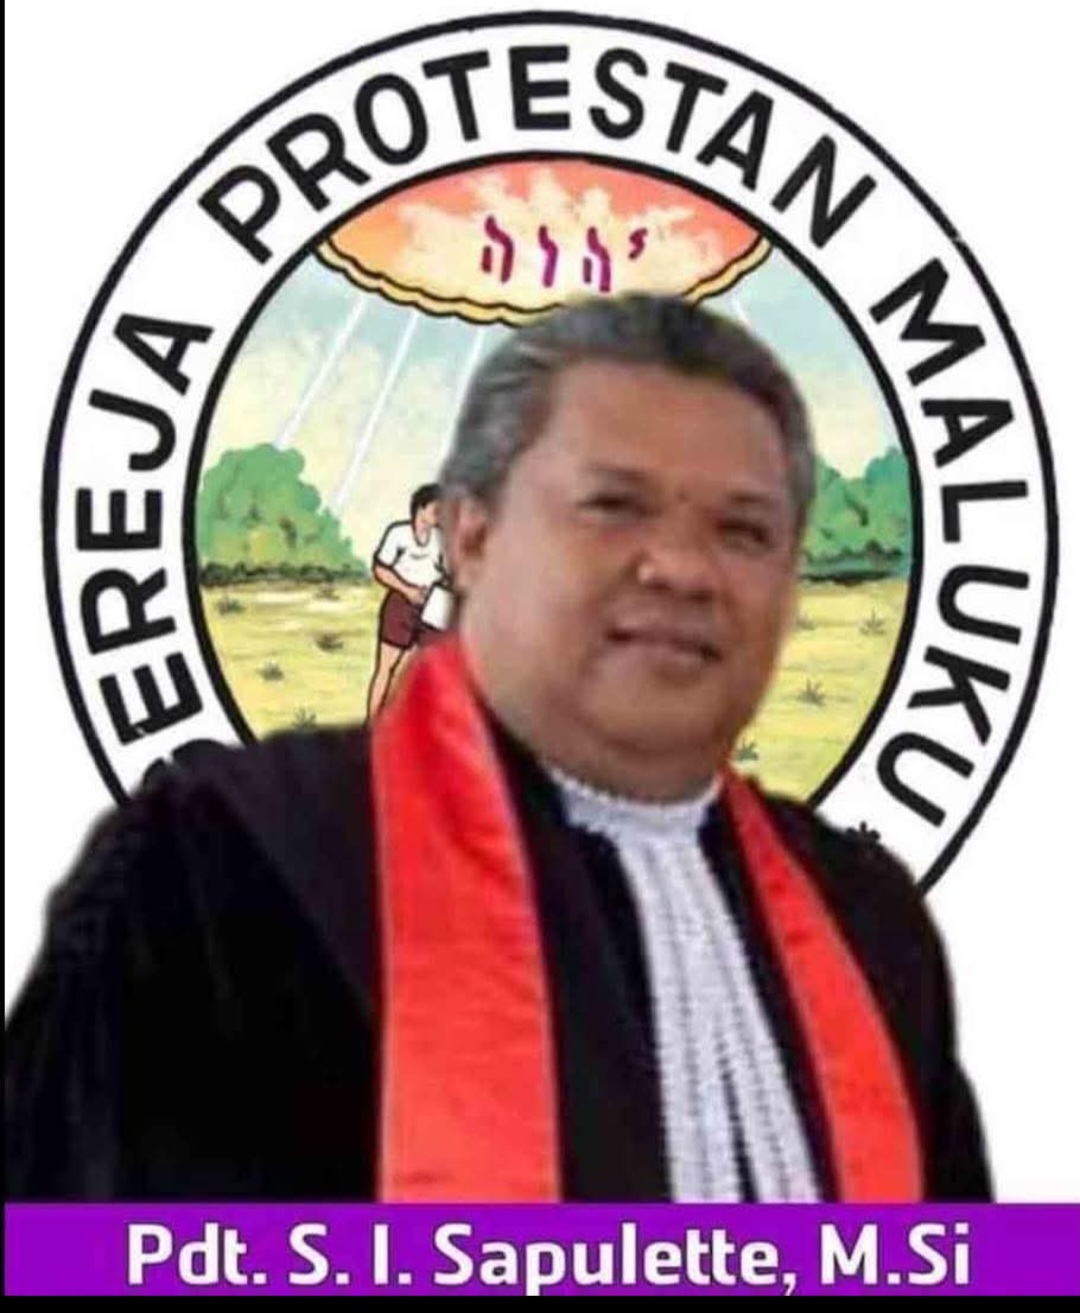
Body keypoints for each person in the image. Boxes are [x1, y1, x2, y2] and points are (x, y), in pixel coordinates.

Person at [5, 295, 991, 1203]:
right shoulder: (231, 867)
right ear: (470, 536)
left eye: (745, 531)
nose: (685, 568)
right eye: (615, 505)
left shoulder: (869, 921)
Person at [365, 482, 447, 718]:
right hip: (400, 603)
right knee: (386, 668)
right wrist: (408, 590)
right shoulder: (398, 534)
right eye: (436, 509)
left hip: (431, 608)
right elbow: (380, 569)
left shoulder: (441, 539)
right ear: (420, 509)